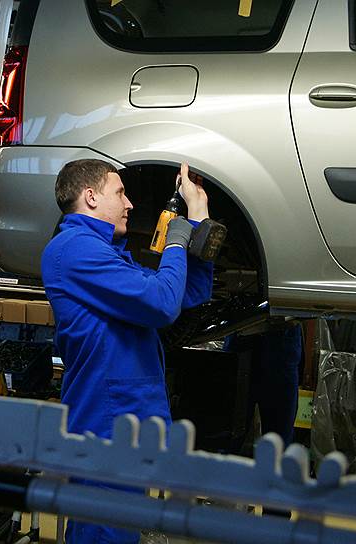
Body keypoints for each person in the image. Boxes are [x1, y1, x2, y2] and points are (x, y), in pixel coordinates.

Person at [41, 159, 214, 543]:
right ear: (90, 197)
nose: (130, 203)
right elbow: (161, 304)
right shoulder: (74, 250)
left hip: (128, 422)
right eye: (120, 193)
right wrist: (175, 239)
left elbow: (187, 293)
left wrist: (199, 218)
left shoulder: (109, 254)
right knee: (104, 533)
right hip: (105, 426)